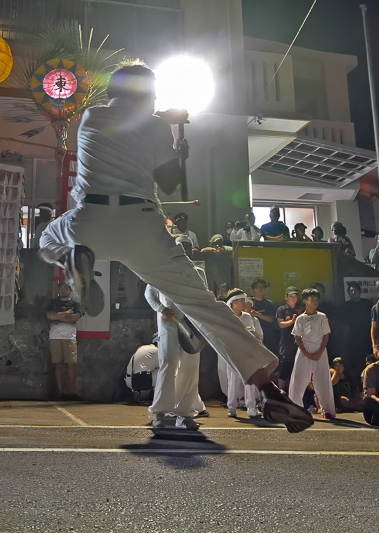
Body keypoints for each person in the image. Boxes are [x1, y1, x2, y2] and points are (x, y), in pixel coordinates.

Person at [36, 64, 312, 433]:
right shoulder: (154, 125)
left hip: (90, 220)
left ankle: (72, 260)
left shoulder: (91, 116)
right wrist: (178, 150)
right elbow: (169, 184)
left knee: (47, 238)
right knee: (203, 305)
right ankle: (267, 387)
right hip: (143, 223)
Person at [144, 238, 207, 429]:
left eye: (187, 248)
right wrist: (162, 309)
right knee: (169, 363)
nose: (184, 251)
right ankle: (160, 413)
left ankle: (184, 415)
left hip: (191, 326)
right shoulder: (162, 270)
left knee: (190, 368)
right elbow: (149, 294)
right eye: (180, 247)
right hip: (169, 325)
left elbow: (204, 296)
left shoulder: (198, 273)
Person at [289, 288, 336, 420]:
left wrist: (319, 352)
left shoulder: (322, 316)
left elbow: (326, 335)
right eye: (312, 299)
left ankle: (327, 410)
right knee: (298, 380)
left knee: (322, 380)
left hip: (320, 350)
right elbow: (297, 337)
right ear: (305, 301)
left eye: (316, 299)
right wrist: (307, 353)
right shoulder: (300, 319)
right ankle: (296, 409)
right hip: (304, 350)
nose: (315, 302)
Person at [223, 288, 262, 419]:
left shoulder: (247, 317)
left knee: (249, 381)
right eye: (240, 301)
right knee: (233, 381)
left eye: (243, 300)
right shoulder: (226, 317)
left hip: (246, 353)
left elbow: (252, 334)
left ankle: (251, 408)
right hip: (233, 353)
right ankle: (232, 408)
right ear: (233, 302)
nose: (242, 303)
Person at [45, 281, 82, 400]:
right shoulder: (53, 303)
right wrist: (66, 314)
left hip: (69, 336)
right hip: (55, 336)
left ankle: (72, 391)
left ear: (70, 290)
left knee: (71, 364)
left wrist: (59, 317)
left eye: (65, 288)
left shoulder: (75, 304)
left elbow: (75, 318)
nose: (63, 290)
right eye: (61, 288)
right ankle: (60, 392)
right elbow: (50, 316)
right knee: (57, 364)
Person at [342, 282, 374, 381]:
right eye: (351, 291)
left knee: (369, 361)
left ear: (360, 291)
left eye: (355, 290)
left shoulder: (368, 304)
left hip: (367, 337)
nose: (353, 292)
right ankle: (356, 385)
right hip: (352, 338)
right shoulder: (345, 306)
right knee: (354, 362)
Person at [276, 286, 304, 391]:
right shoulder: (282, 309)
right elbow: (281, 324)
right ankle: (281, 391)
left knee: (297, 366)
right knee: (284, 366)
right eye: (291, 296)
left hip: (299, 342)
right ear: (286, 297)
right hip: (286, 342)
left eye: (295, 296)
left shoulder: (301, 309)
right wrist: (292, 321)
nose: (293, 298)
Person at [250, 279, 279, 354]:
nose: (260, 289)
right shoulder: (249, 303)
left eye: (262, 287)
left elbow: (272, 319)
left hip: (268, 337)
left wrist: (257, 314)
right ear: (253, 289)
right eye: (257, 287)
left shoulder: (269, 304)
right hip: (253, 337)